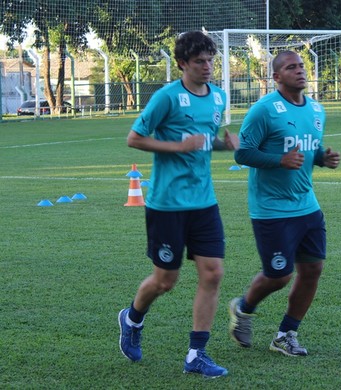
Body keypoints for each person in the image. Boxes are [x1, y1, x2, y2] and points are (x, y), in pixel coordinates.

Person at [117, 31, 239, 379]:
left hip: (204, 201)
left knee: (213, 273)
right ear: (182, 64)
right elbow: (134, 138)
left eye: (211, 60)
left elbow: (202, 140)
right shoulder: (166, 98)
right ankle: (132, 318)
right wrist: (177, 147)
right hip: (167, 203)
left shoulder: (218, 97)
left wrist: (221, 144)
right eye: (200, 61)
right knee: (165, 281)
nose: (208, 67)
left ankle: (196, 354)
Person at [228, 50, 341, 357]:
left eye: (302, 66)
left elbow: (309, 149)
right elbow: (243, 153)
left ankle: (286, 334)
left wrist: (322, 159)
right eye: (291, 68)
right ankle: (243, 308)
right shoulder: (264, 110)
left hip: (307, 205)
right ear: (277, 77)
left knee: (313, 269)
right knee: (279, 276)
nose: (300, 71)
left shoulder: (316, 110)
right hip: (271, 209)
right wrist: (279, 160)